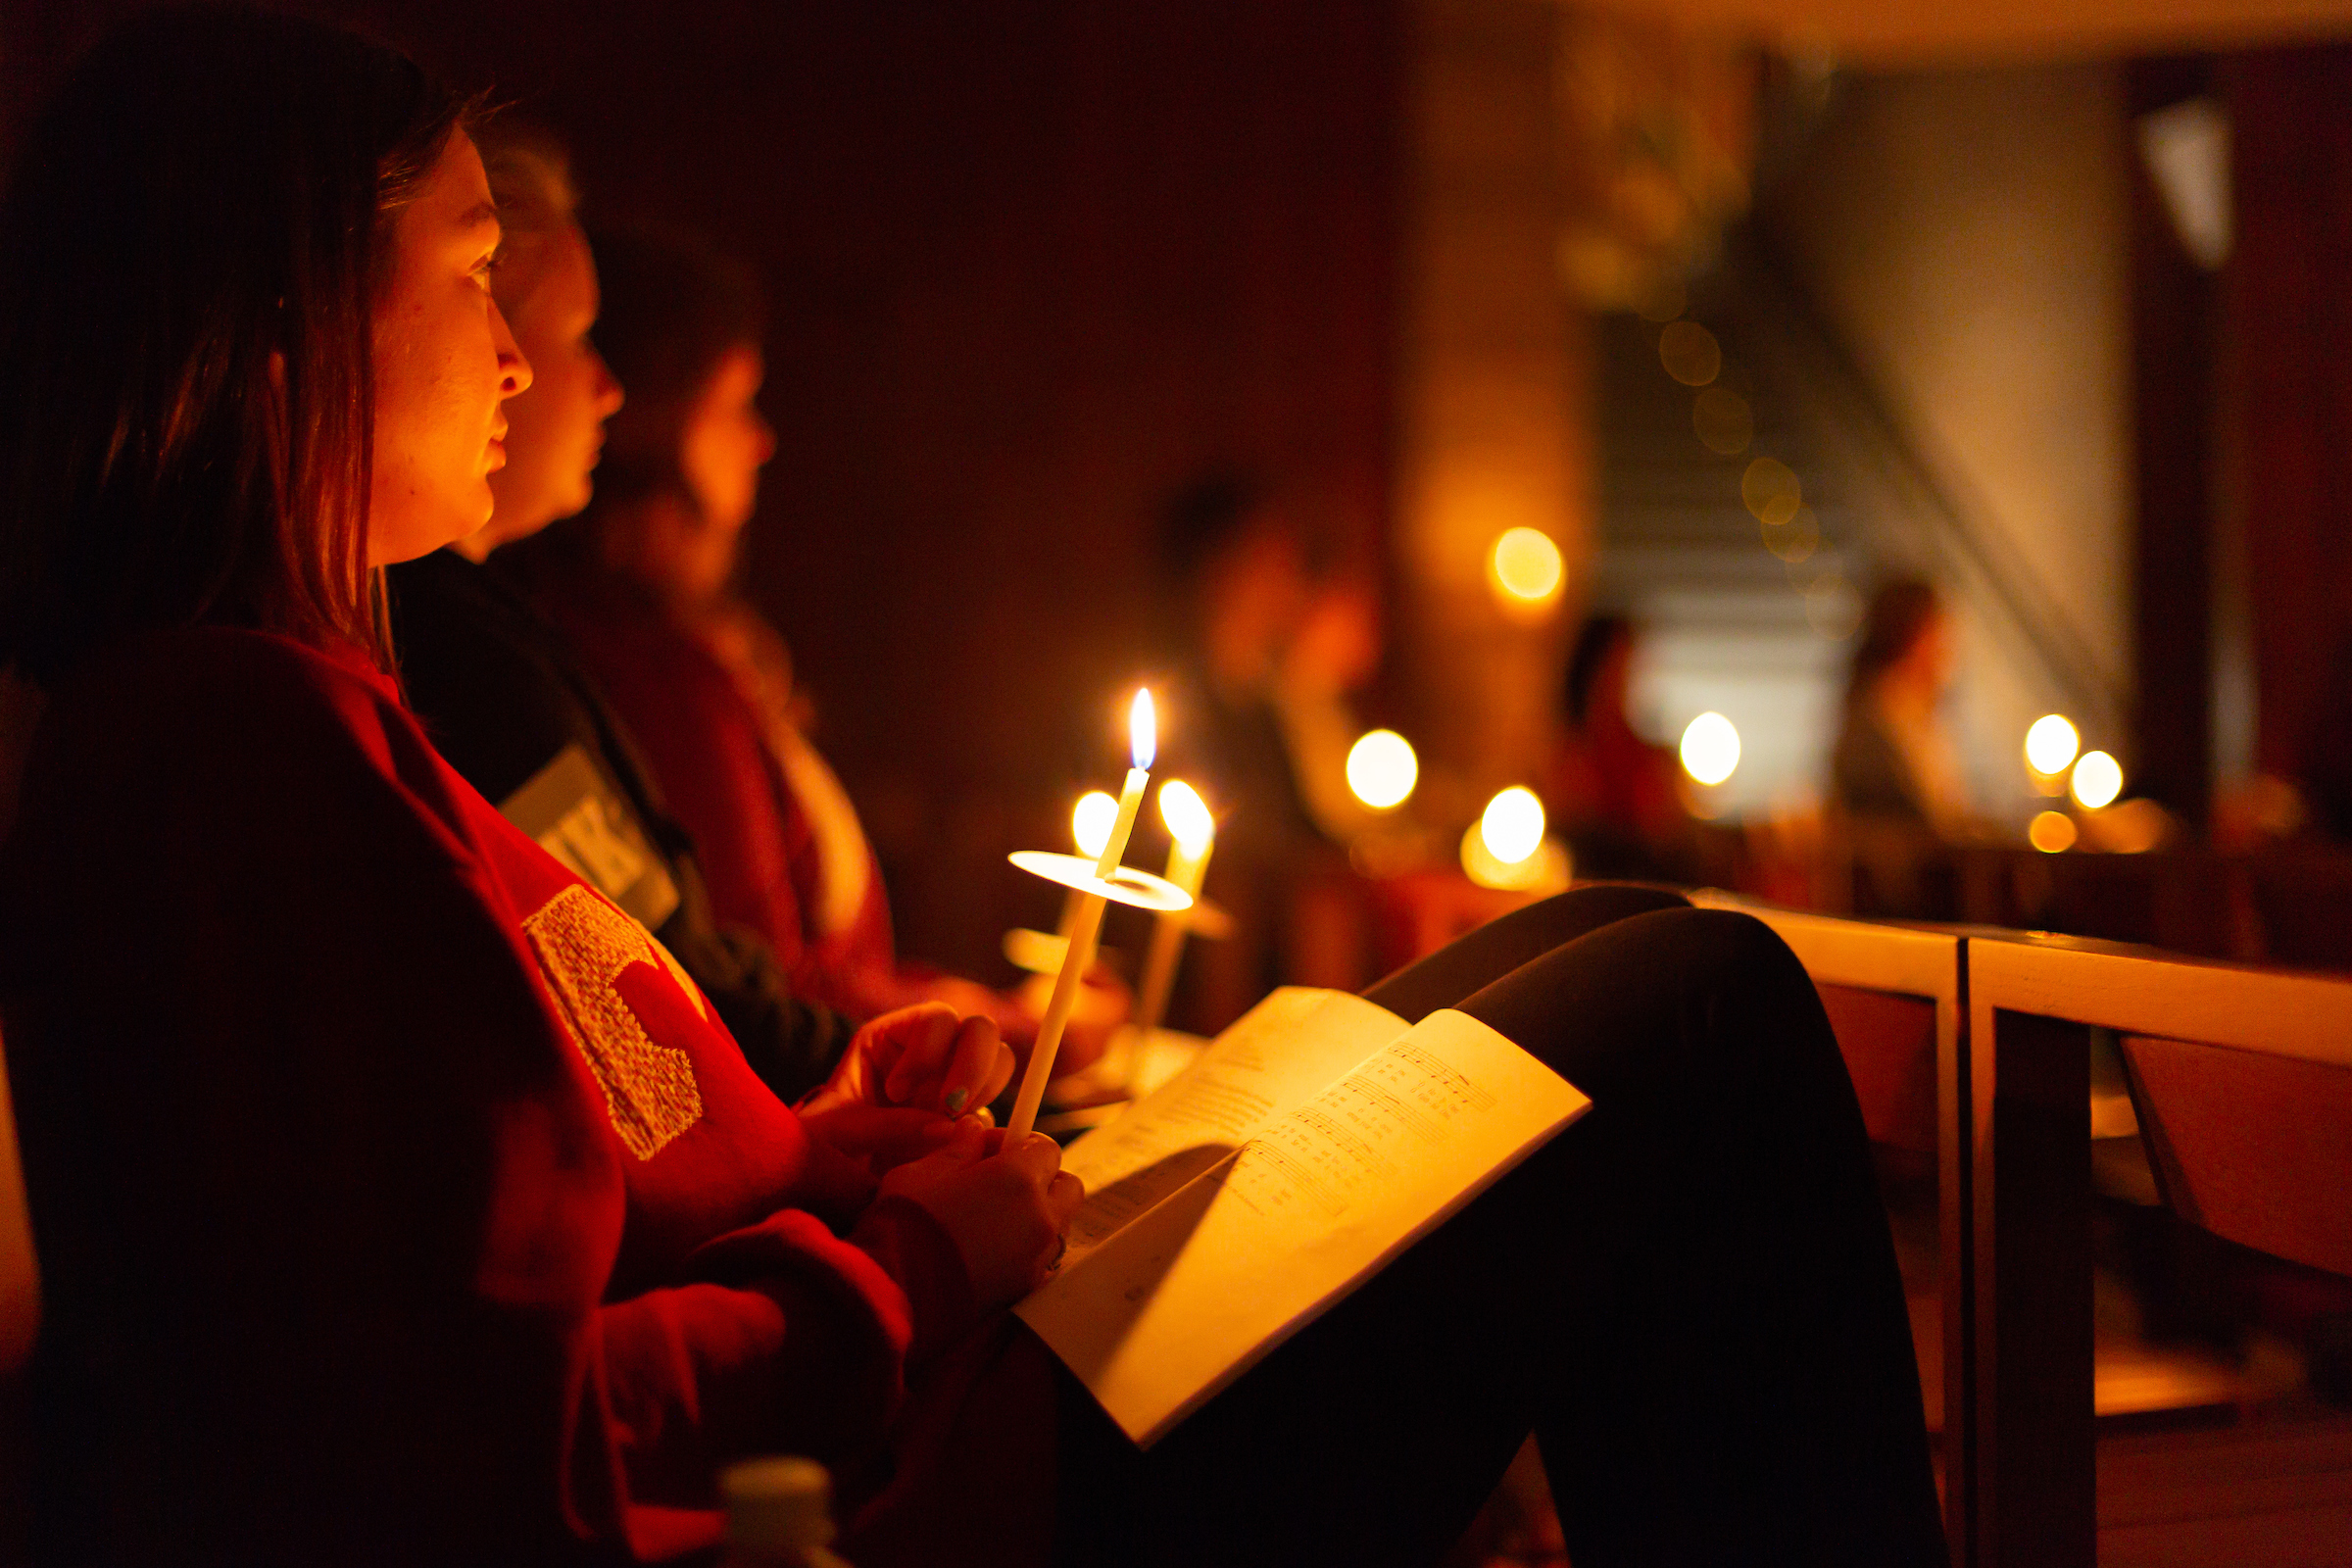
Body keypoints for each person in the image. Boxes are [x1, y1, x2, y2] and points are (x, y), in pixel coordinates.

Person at [0, 13, 1942, 1565]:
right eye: (476, 274)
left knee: (1617, 939)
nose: (522, 356)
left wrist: (838, 1143)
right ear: (282, 332)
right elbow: (460, 1442)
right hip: (914, 1484)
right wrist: (912, 1259)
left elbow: (602, 1157)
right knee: (1697, 1008)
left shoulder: (338, 721)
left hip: (927, 1358)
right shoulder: (227, 774)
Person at [501, 224, 1123, 1065]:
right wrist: (999, 1028)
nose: (761, 441)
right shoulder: (655, 679)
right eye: (732, 406)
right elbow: (761, 976)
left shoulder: (679, 651)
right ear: (659, 425)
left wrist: (968, 1002)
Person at [385, 121, 856, 1103]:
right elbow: (663, 996)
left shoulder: (502, 627)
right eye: (578, 339)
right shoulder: (472, 657)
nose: (601, 386)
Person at [1829, 580, 1972, 914]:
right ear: (1914, 637)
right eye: (1939, 634)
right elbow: (1928, 819)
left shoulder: (1915, 712)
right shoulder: (1879, 717)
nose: (1947, 651)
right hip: (1901, 899)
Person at [1546, 613, 1699, 883]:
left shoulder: (1647, 757)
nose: (1626, 678)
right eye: (1618, 666)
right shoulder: (1568, 754)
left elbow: (1667, 839)